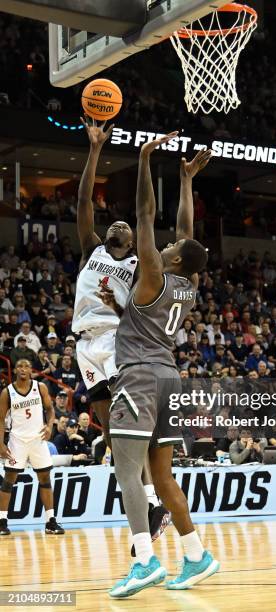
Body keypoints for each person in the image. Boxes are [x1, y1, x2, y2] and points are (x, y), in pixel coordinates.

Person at [102, 132, 219, 598]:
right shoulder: (188, 284)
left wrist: (145, 161)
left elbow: (145, 215)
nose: (167, 244)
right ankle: (196, 555)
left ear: (171, 259)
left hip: (140, 376)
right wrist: (187, 180)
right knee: (163, 475)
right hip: (170, 377)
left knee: (128, 472)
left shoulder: (153, 273)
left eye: (170, 247)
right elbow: (188, 235)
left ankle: (145, 561)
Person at [71, 118, 166, 538]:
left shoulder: (136, 265)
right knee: (110, 429)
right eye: (115, 224)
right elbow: (83, 204)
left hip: (114, 341)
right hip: (84, 345)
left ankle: (152, 503)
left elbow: (147, 217)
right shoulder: (91, 249)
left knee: (129, 427)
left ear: (132, 239)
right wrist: (94, 150)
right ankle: (147, 507)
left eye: (125, 226)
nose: (118, 226)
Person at [0, 359, 64, 535]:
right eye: (19, 366)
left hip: (38, 440)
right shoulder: (7, 392)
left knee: (45, 478)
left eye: (26, 366)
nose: (23, 369)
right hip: (17, 440)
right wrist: (0, 443)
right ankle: (2, 521)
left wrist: (50, 426)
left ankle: (50, 521)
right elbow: (0, 420)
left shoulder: (40, 387)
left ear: (30, 370)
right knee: (8, 480)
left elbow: (50, 410)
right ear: (15, 370)